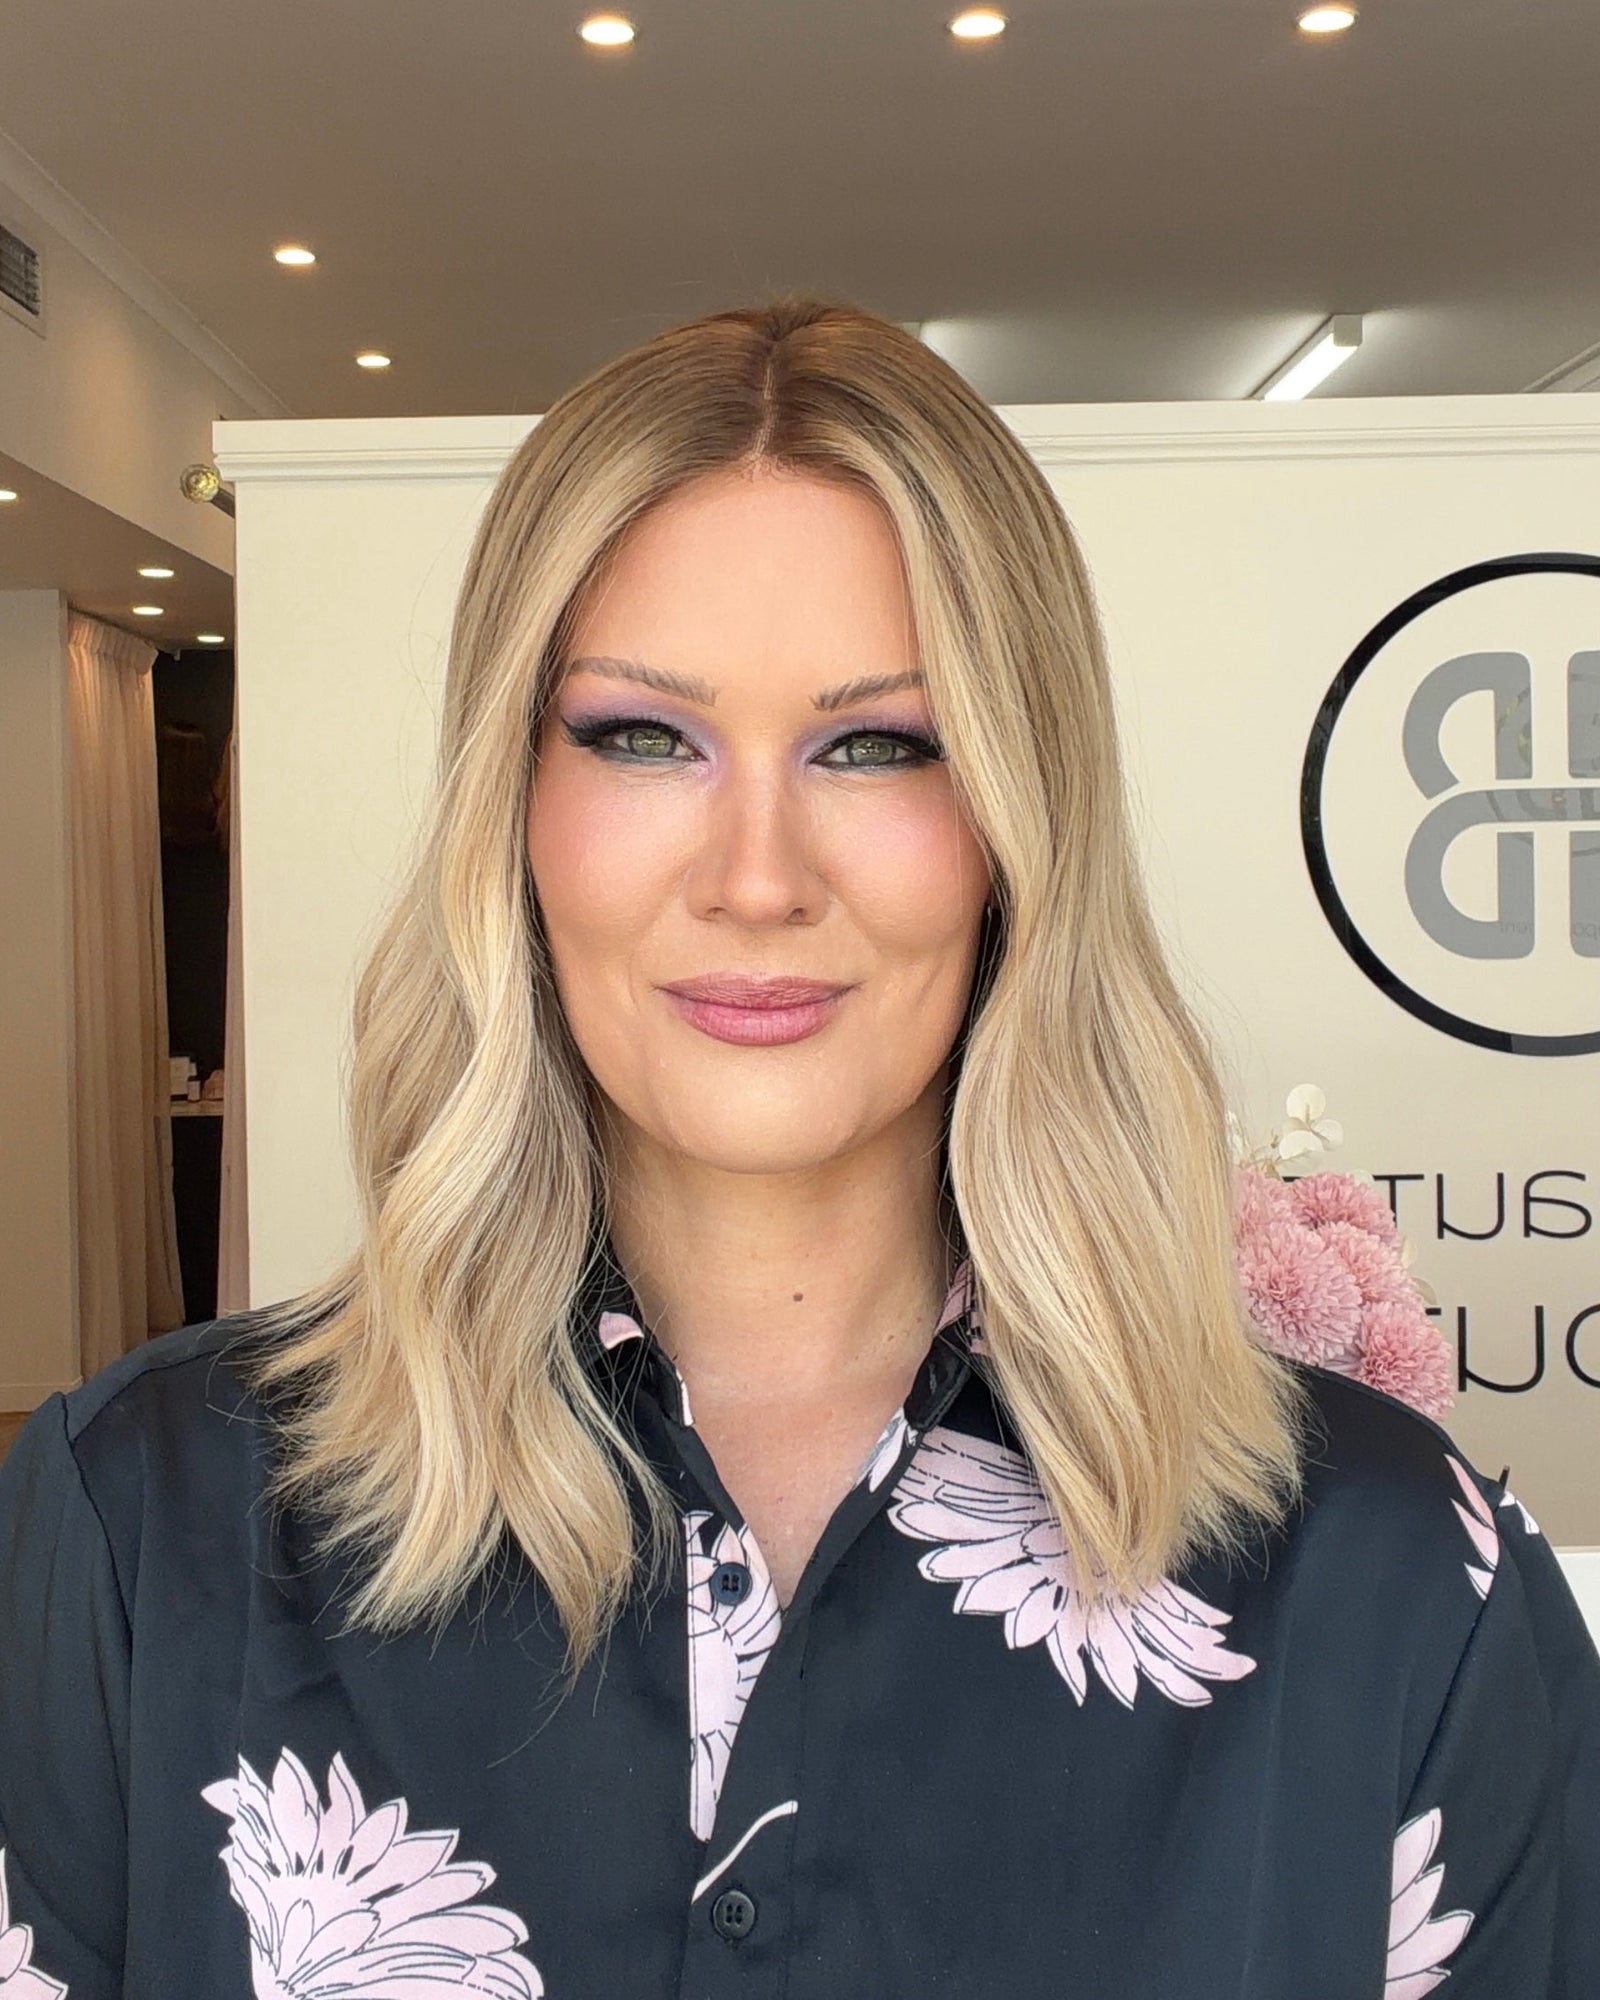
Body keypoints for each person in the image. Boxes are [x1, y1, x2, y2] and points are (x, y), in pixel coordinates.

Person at [1, 296, 1596, 2000]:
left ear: (1015, 821)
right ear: (512, 811)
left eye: (878, 744)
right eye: (642, 735)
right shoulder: (139, 1526)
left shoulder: (1405, 1583)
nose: (756, 876)